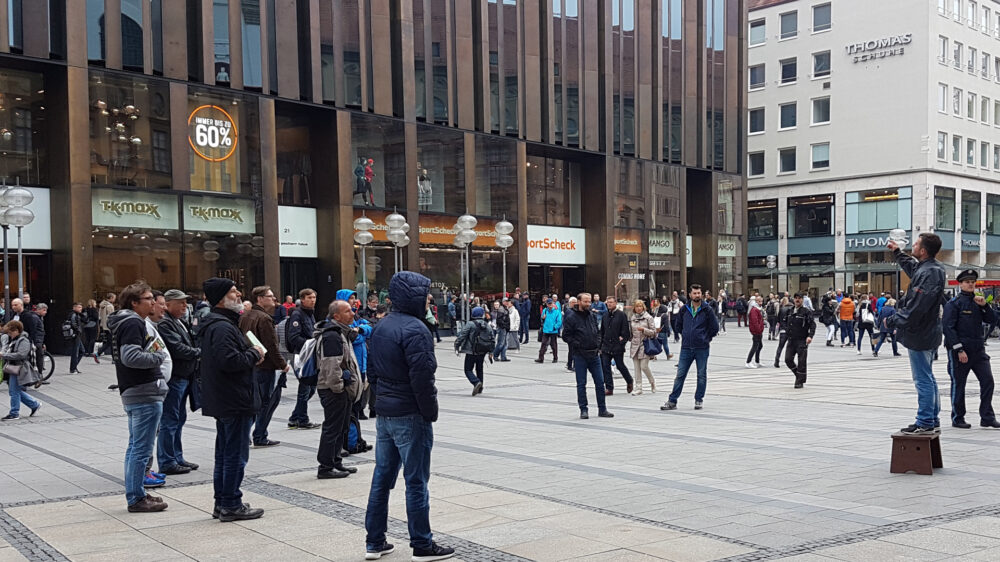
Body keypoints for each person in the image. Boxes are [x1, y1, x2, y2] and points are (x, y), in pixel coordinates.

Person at [364, 271, 454, 561]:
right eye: (426, 295)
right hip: (409, 412)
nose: (429, 299)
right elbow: (422, 377)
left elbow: (373, 372)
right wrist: (429, 411)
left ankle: (374, 541)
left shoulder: (381, 325)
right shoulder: (416, 329)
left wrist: (381, 401)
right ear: (413, 297)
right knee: (416, 480)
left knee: (382, 477)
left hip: (387, 412)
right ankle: (422, 544)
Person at [198, 278, 266, 522]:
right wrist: (253, 353)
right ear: (221, 298)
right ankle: (230, 504)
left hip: (227, 399)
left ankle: (224, 501)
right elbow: (229, 361)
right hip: (234, 399)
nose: (239, 296)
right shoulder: (222, 327)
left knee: (226, 453)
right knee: (234, 454)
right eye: (233, 292)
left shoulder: (220, 324)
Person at [107, 282, 168, 513]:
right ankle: (136, 497)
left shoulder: (125, 321)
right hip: (143, 390)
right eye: (148, 298)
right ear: (134, 302)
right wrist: (158, 357)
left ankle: (137, 494)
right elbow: (130, 356)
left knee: (136, 447)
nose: (153, 302)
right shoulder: (132, 322)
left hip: (135, 390)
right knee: (140, 449)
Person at [887, 233, 946, 434]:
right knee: (927, 376)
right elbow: (913, 268)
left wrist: (894, 319)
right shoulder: (929, 268)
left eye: (916, 243)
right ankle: (931, 418)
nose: (912, 245)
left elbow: (917, 308)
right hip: (927, 331)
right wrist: (897, 252)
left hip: (921, 332)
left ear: (922, 250)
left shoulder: (930, 273)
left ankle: (926, 421)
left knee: (922, 378)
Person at [942, 269, 1000, 429]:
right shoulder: (954, 304)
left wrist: (985, 306)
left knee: (988, 381)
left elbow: (993, 320)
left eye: (973, 282)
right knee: (959, 384)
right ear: (960, 284)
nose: (970, 284)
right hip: (960, 351)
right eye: (967, 282)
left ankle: (987, 416)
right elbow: (948, 328)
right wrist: (959, 349)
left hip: (978, 350)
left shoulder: (978, 301)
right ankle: (958, 417)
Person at [315, 300, 364, 478]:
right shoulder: (332, 335)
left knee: (341, 427)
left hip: (340, 389)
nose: (353, 313)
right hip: (333, 390)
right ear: (337, 316)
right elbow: (331, 366)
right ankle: (326, 467)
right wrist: (339, 388)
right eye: (348, 311)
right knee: (332, 428)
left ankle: (336, 462)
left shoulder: (341, 333)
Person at [156, 290, 202, 475]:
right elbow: (178, 348)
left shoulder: (178, 321)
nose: (185, 307)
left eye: (185, 303)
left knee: (178, 418)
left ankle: (176, 456)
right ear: (168, 303)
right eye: (180, 303)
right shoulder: (166, 323)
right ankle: (167, 460)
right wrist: (199, 352)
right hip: (175, 377)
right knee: (170, 419)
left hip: (184, 376)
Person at [240, 286, 291, 448]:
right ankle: (259, 435)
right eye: (270, 296)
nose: (274, 299)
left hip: (251, 363)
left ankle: (247, 435)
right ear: (260, 299)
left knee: (255, 401)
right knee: (265, 402)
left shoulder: (246, 315)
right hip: (265, 366)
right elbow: (271, 346)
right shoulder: (264, 318)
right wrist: (282, 364)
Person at [661, 284, 718, 411]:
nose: (697, 295)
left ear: (701, 294)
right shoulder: (685, 309)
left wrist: (705, 338)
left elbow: (714, 327)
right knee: (680, 374)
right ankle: (672, 400)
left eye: (699, 293)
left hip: (702, 347)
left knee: (701, 374)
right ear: (690, 295)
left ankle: (699, 399)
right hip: (686, 347)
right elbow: (678, 325)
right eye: (695, 293)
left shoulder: (707, 309)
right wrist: (686, 335)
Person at [562, 293, 613, 420]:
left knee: (600, 383)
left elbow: (598, 331)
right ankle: (583, 409)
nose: (588, 304)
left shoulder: (592, 315)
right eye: (585, 301)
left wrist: (598, 344)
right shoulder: (571, 317)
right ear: (578, 302)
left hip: (594, 354)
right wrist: (577, 344)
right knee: (581, 384)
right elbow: (566, 336)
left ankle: (602, 409)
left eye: (589, 301)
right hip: (580, 355)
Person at [287, 288, 321, 430]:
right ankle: (302, 419)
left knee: (311, 387)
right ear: (302, 299)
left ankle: (295, 417)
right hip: (301, 355)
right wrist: (309, 344)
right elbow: (293, 337)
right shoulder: (297, 314)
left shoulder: (310, 314)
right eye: (309, 297)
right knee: (305, 388)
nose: (312, 300)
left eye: (314, 297)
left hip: (309, 355)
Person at [2, 321, 42, 421]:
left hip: (20, 368)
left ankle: (14, 413)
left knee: (14, 391)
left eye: (10, 333)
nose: (9, 335)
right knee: (15, 390)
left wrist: (4, 355)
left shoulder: (23, 340)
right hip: (14, 367)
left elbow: (21, 355)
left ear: (16, 330)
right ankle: (34, 404)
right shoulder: (15, 339)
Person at [600, 296, 634, 395]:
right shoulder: (605, 315)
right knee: (605, 366)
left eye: (611, 302)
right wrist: (600, 345)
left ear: (615, 303)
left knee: (620, 365)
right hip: (606, 345)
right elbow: (602, 331)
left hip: (617, 346)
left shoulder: (621, 315)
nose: (609, 304)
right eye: (608, 302)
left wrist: (622, 341)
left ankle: (629, 380)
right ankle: (609, 388)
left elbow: (626, 332)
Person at [455, 306, 491, 396]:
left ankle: (476, 382)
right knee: (479, 368)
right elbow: (492, 339)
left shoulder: (470, 324)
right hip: (482, 350)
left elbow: (462, 335)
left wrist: (457, 345)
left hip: (471, 350)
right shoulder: (487, 325)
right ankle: (480, 387)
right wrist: (491, 352)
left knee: (468, 369)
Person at [784, 293, 815, 388]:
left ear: (802, 300)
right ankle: (799, 375)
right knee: (788, 359)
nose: (797, 300)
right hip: (791, 339)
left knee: (801, 361)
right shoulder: (790, 311)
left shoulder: (806, 312)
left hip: (802, 339)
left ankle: (799, 381)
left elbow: (812, 325)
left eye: (799, 298)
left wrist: (810, 336)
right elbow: (784, 322)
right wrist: (786, 330)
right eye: (796, 298)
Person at [627, 299, 657, 396]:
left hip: (645, 344)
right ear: (634, 308)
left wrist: (644, 330)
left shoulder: (648, 317)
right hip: (635, 344)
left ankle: (652, 382)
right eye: (637, 306)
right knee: (636, 368)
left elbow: (654, 332)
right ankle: (638, 388)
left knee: (644, 366)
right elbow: (630, 332)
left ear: (643, 307)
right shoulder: (632, 318)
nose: (639, 308)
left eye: (640, 306)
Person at [68, 302, 87, 374]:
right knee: (75, 352)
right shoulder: (73, 314)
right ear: (74, 307)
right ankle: (73, 369)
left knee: (81, 351)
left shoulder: (77, 314)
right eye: (79, 307)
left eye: (81, 307)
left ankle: (74, 367)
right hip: (75, 335)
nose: (80, 309)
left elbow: (85, 320)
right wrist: (78, 331)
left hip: (77, 335)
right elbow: (73, 324)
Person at [746, 296, 764, 368]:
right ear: (756, 301)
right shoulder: (754, 310)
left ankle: (757, 361)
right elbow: (755, 321)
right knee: (755, 346)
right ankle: (748, 361)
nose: (761, 303)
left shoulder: (758, 309)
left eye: (761, 301)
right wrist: (759, 329)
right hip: (756, 331)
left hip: (759, 331)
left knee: (759, 346)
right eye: (759, 301)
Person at [772, 297, 791, 368]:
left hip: (783, 330)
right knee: (790, 347)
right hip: (790, 331)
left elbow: (778, 320)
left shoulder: (781, 309)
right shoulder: (791, 309)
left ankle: (776, 360)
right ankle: (789, 360)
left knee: (780, 346)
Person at [563, 297, 578, 371]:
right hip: (571, 335)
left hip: (576, 335)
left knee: (575, 351)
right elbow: (566, 323)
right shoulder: (569, 311)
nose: (575, 304)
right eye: (573, 302)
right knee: (572, 351)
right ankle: (570, 365)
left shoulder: (576, 311)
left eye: (576, 302)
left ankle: (574, 365)